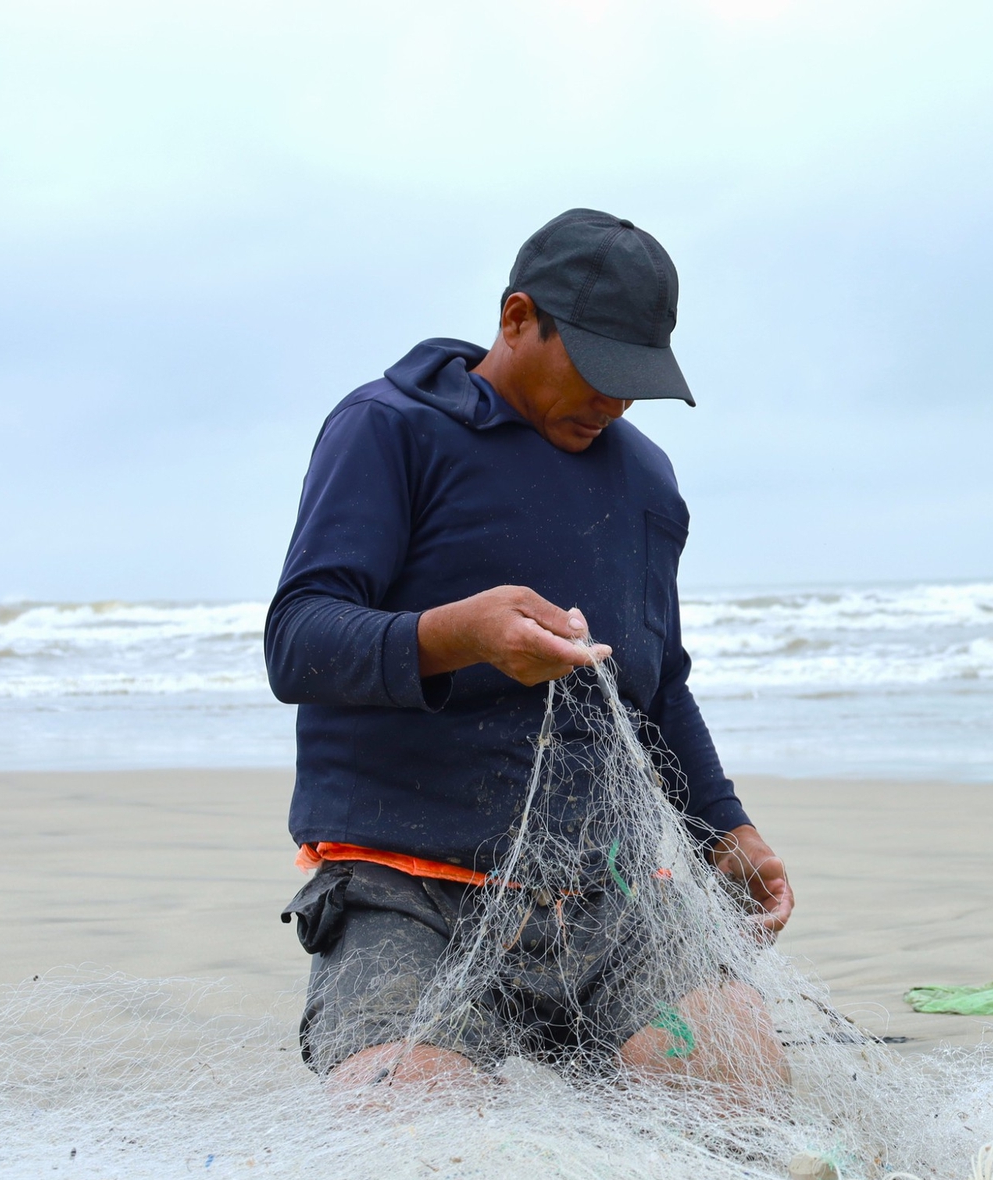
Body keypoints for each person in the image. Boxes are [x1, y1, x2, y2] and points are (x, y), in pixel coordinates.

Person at [264, 208, 791, 1092]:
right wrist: (457, 635)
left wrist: (724, 831)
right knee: (418, 1117)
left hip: (608, 894)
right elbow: (299, 641)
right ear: (516, 319)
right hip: (409, 889)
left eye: (636, 380)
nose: (615, 401)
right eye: (596, 369)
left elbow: (655, 691)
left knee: (744, 1080)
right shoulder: (389, 429)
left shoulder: (648, 480)